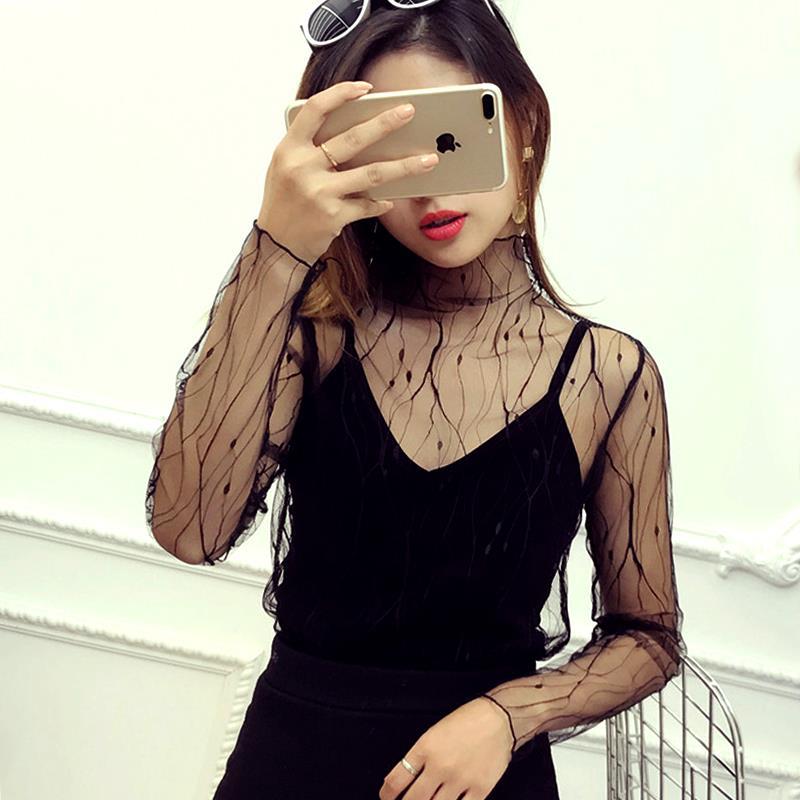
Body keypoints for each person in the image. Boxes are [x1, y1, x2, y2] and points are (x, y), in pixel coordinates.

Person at [145, 1, 685, 797]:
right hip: (291, 770)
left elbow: (649, 636)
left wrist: (506, 716)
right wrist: (279, 244)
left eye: (451, 138)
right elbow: (189, 529)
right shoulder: (317, 339)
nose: (429, 192)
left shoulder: (607, 374)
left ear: (524, 126)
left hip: (488, 782)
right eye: (390, 158)